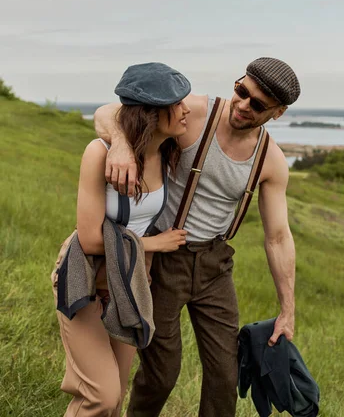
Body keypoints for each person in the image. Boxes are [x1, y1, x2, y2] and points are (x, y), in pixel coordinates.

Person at [94, 56, 301, 417]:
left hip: (215, 266)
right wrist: (122, 144)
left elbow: (278, 237)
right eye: (241, 91)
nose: (242, 105)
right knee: (162, 373)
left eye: (257, 105)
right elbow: (109, 112)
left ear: (277, 113)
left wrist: (287, 309)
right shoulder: (193, 113)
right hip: (164, 257)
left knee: (225, 375)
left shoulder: (271, 160)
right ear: (238, 81)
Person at [51, 62, 191, 417]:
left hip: (129, 285)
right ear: (150, 113)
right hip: (85, 278)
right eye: (176, 104)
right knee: (102, 395)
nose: (186, 109)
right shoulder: (98, 153)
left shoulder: (166, 152)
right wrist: (153, 244)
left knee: (116, 395)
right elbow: (90, 239)